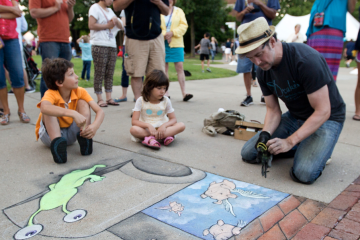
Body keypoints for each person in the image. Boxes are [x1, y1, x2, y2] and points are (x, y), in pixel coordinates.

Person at [237, 17, 345, 184]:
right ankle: (303, 145)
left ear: (272, 41)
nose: (257, 62)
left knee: (303, 173)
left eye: (259, 54)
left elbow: (323, 110)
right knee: (249, 153)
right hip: (295, 117)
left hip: (327, 118)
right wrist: (265, 134)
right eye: (251, 58)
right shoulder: (262, 69)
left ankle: (316, 149)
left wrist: (290, 141)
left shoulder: (305, 60)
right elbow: (273, 110)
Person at [35, 58, 105, 164]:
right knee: (48, 110)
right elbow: (44, 108)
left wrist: (94, 126)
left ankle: (85, 136)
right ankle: (57, 145)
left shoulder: (80, 91)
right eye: (71, 74)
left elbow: (100, 111)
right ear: (59, 82)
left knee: (83, 102)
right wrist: (72, 113)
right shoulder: (51, 93)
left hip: (73, 133)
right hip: (50, 136)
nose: (76, 76)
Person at [113, 0, 169, 101]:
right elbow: (116, 6)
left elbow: (166, 11)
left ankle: (154, 105)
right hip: (135, 37)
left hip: (156, 37)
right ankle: (140, 106)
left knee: (157, 75)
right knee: (136, 73)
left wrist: (159, 2)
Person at [234, 0, 280, 107]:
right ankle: (248, 95)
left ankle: (266, 94)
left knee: (267, 64)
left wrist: (260, 4)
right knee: (245, 66)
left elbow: (273, 14)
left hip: (263, 35)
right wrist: (244, 11)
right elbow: (238, 17)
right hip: (246, 37)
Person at [29, 0, 76, 98]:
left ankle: (63, 103)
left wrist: (70, 7)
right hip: (48, 39)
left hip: (65, 39)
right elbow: (34, 12)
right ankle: (48, 107)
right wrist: (54, 8)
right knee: (49, 74)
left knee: (66, 73)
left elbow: (70, 19)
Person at [130, 70, 185, 150]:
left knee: (181, 125)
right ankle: (160, 137)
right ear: (149, 87)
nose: (162, 91)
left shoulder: (166, 100)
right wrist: (148, 126)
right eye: (159, 88)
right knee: (134, 129)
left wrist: (164, 126)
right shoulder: (141, 100)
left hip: (163, 129)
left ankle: (151, 138)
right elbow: (134, 121)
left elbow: (173, 119)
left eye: (164, 88)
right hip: (147, 130)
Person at [306, 0, 356, 81]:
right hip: (328, 25)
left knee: (317, 71)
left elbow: (351, 8)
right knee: (322, 72)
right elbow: (352, 8)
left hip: (323, 25)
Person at [0, 0, 31, 125]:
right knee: (0, 78)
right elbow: (13, 12)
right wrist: (9, 10)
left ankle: (21, 110)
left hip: (11, 39)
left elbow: (18, 13)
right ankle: (6, 111)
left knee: (18, 74)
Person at [88, 0, 124, 107]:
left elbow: (121, 26)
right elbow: (91, 25)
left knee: (110, 72)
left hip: (111, 45)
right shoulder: (95, 7)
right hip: (99, 44)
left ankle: (109, 97)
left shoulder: (110, 10)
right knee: (100, 72)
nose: (112, 1)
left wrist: (116, 21)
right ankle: (100, 98)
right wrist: (107, 25)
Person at [160, 0, 192, 101]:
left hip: (177, 42)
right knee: (164, 68)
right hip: (162, 42)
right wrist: (165, 34)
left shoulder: (179, 11)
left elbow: (184, 26)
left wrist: (172, 33)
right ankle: (166, 92)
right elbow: (156, 25)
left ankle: (184, 93)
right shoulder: (159, 10)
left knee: (180, 67)